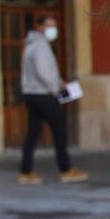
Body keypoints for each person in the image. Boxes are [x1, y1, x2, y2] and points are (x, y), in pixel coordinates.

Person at [18, 13, 88, 185]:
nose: (52, 29)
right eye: (49, 26)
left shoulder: (30, 46)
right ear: (40, 27)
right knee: (59, 131)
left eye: (53, 25)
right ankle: (65, 169)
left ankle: (25, 171)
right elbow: (44, 73)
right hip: (43, 95)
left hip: (31, 94)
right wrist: (56, 88)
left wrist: (58, 83)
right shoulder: (41, 46)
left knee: (33, 132)